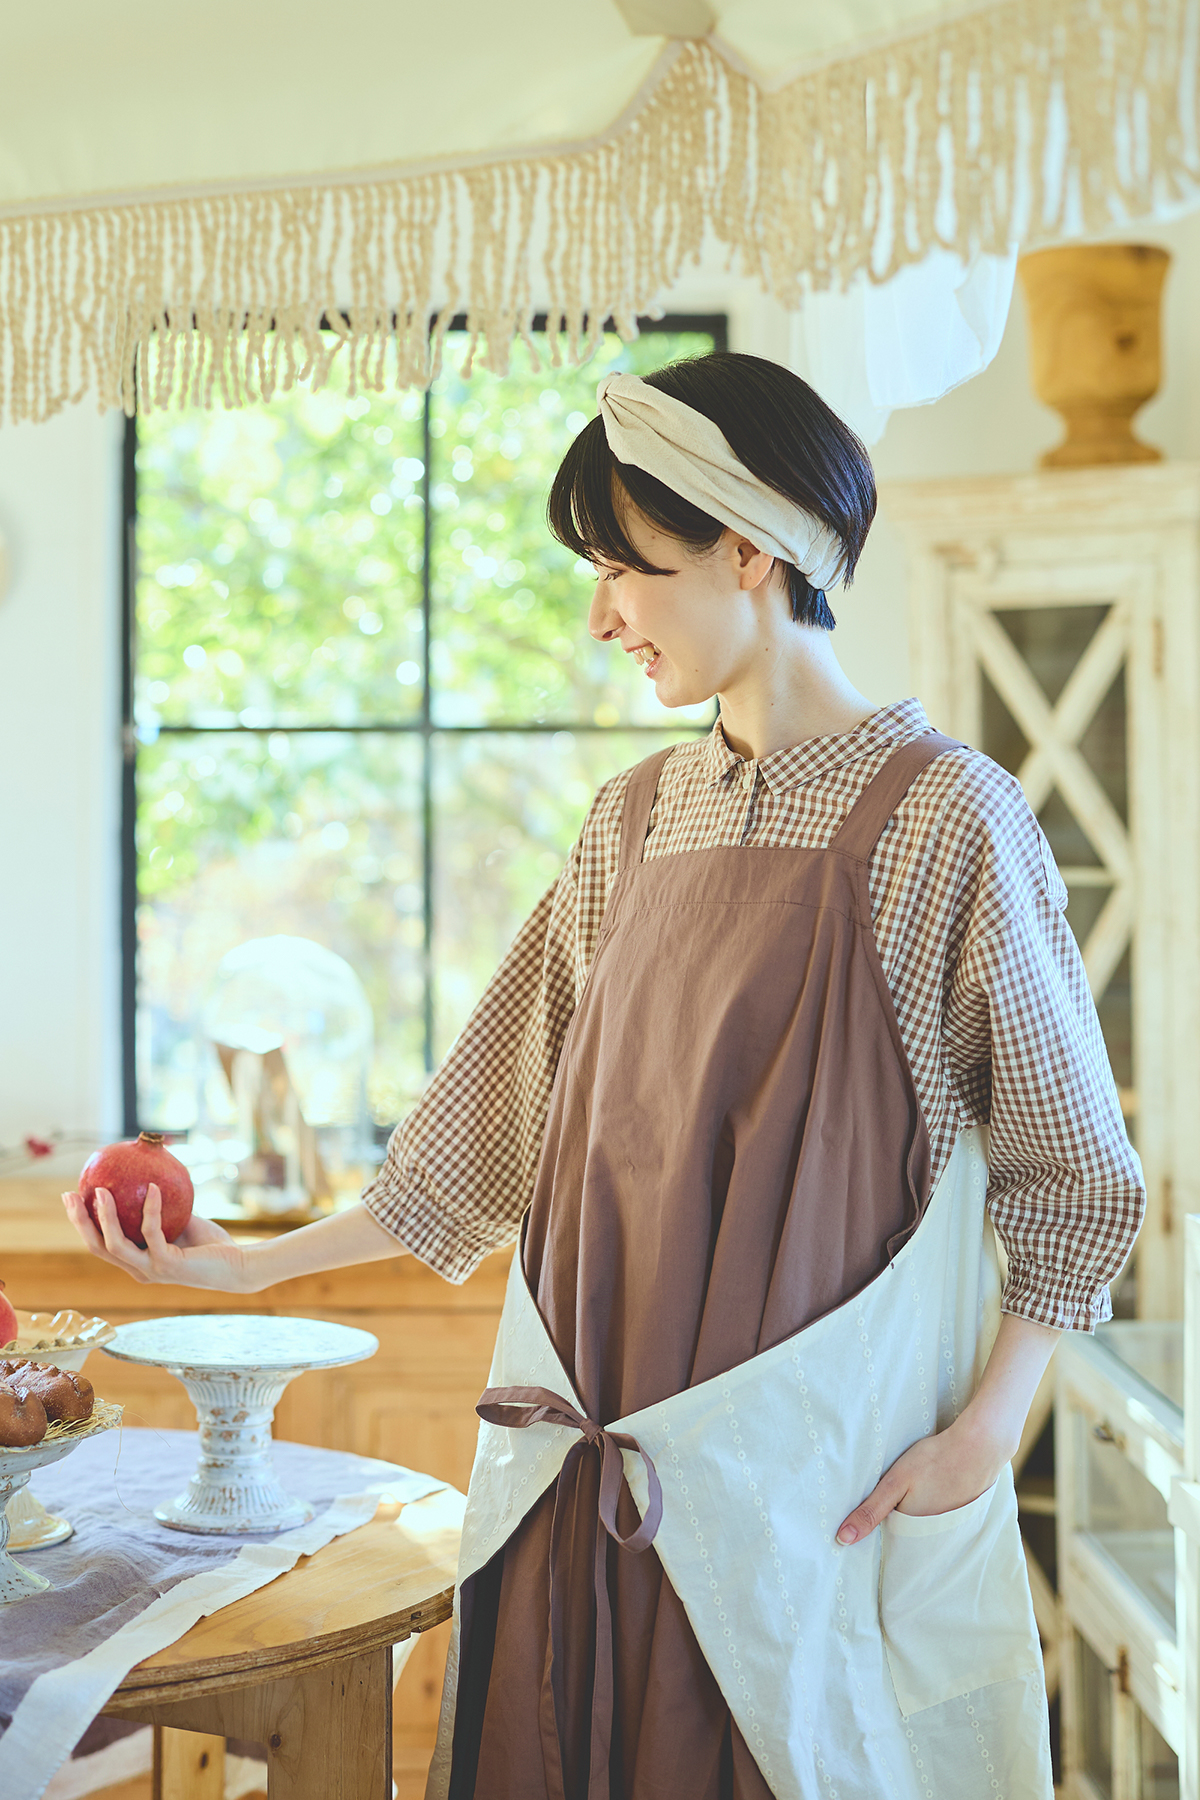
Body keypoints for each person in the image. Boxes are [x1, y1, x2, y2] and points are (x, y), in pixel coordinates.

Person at [65, 353, 1145, 1800]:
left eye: (621, 569)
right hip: (584, 1493)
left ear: (748, 548)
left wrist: (987, 1431)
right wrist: (247, 1270)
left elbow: (1078, 1177)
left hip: (795, 1496)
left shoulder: (950, 819)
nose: (599, 618)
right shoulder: (632, 822)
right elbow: (481, 1136)